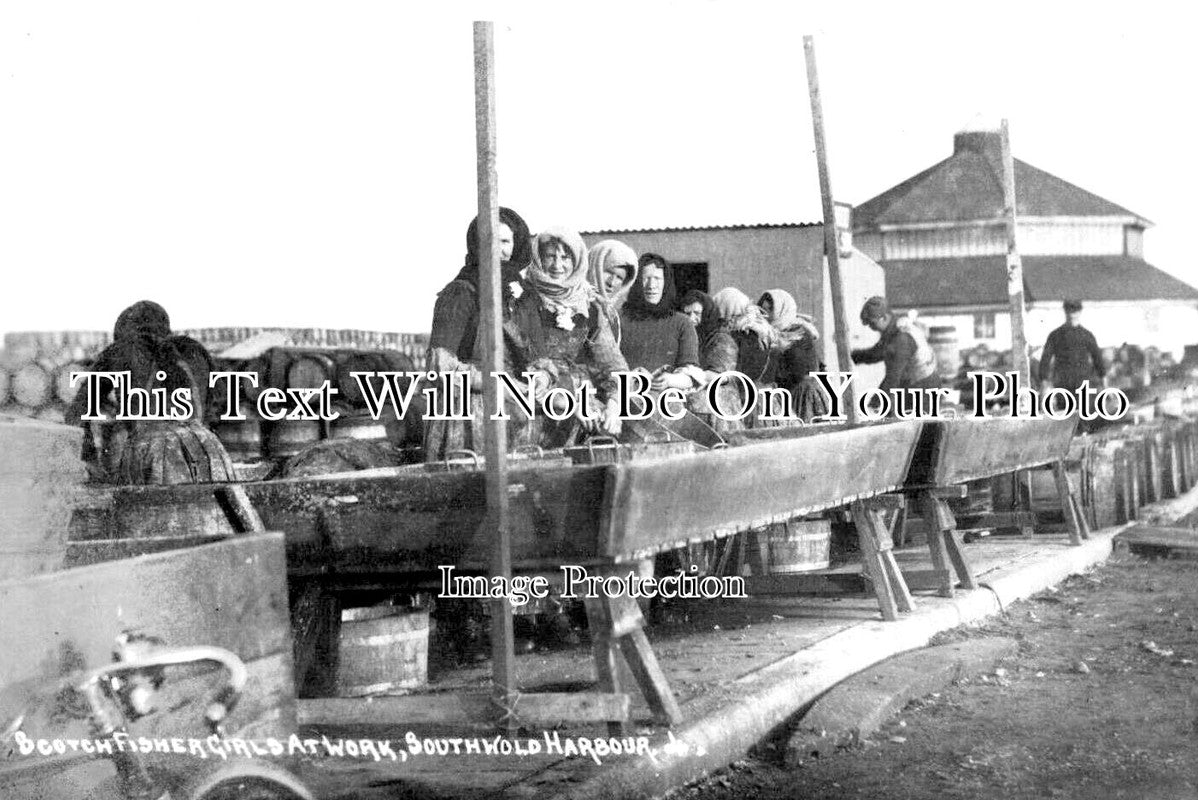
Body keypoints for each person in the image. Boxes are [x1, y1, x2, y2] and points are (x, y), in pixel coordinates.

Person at [67, 300, 233, 484]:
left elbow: (76, 416)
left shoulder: (120, 350)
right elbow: (217, 402)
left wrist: (90, 465)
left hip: (150, 455)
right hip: (209, 452)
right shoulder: (196, 351)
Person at [423, 207, 533, 461]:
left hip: (513, 414)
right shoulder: (460, 293)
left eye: (505, 241)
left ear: (516, 246)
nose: (497, 249)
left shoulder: (520, 297)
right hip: (466, 415)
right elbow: (440, 366)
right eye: (489, 240)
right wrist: (498, 384)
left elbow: (533, 355)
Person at [506, 227, 627, 446]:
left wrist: (614, 407)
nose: (557, 266)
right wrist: (567, 403)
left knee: (607, 437)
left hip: (578, 396)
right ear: (539, 258)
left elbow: (614, 366)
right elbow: (522, 365)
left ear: (577, 261)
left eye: (565, 257)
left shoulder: (589, 305)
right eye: (550, 256)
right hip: (529, 395)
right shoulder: (521, 300)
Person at [619, 253, 703, 391]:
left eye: (657, 278)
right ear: (636, 283)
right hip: (626, 396)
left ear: (666, 283)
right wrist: (630, 377)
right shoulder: (619, 319)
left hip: (667, 402)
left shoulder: (682, 323)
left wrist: (671, 379)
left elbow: (691, 374)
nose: (651, 285)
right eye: (645, 279)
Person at [759, 289, 829, 422]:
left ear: (781, 310)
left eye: (769, 310)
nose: (765, 315)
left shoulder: (798, 333)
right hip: (789, 392)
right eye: (763, 310)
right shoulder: (776, 333)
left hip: (802, 396)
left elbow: (798, 370)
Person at [850, 296, 940, 393]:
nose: (871, 328)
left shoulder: (901, 339)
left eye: (872, 323)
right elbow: (879, 352)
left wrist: (875, 403)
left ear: (884, 318)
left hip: (925, 387)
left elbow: (893, 378)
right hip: (916, 381)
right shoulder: (893, 329)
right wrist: (853, 356)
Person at [1039, 300, 1106, 394]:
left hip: (1082, 383)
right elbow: (1045, 359)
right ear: (1065, 312)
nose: (1072, 315)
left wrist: (1103, 381)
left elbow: (1098, 359)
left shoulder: (1087, 335)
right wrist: (1044, 381)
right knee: (1064, 407)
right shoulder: (1055, 335)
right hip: (1062, 383)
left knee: (1082, 407)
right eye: (1069, 311)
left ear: (1080, 312)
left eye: (1075, 311)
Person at [586, 240, 639, 345]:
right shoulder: (569, 306)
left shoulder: (612, 316)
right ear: (594, 266)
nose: (612, 282)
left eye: (619, 277)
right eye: (608, 272)